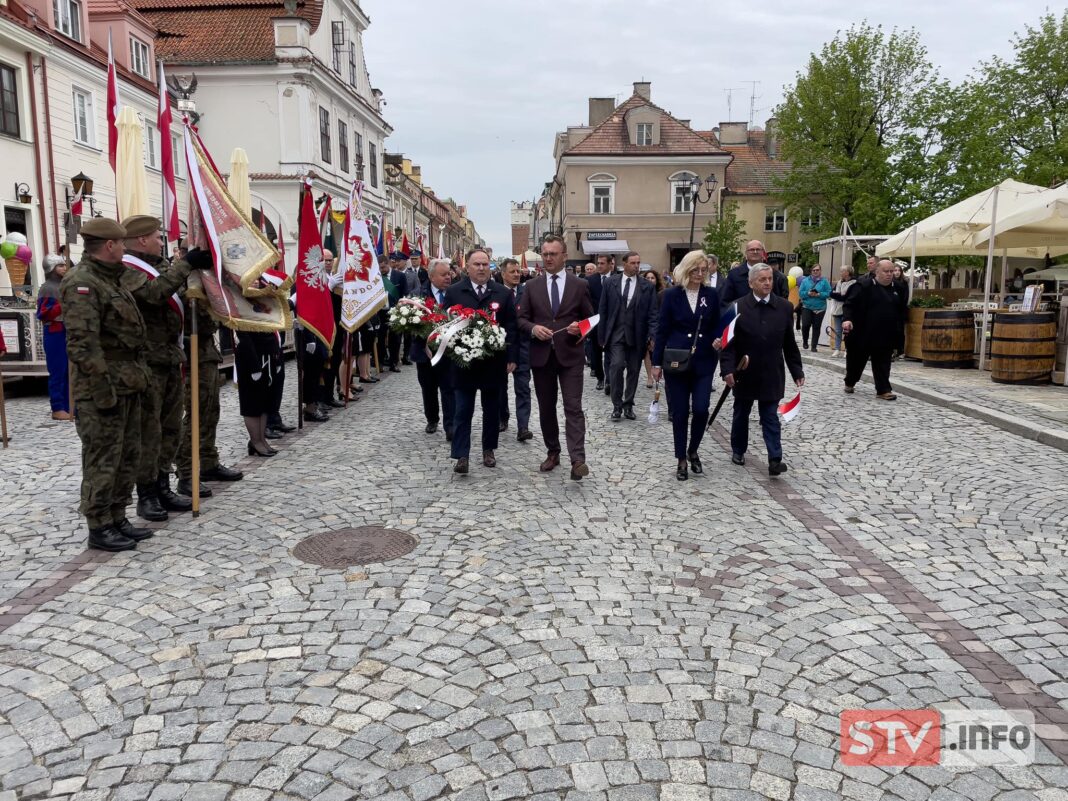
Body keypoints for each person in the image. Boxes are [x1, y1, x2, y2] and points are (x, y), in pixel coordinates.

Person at [59, 218, 155, 551]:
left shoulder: (111, 280)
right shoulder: (82, 283)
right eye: (121, 244)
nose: (124, 248)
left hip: (126, 383)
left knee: (127, 454)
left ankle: (117, 515)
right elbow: (83, 345)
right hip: (102, 388)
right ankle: (99, 524)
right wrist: (103, 392)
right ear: (111, 245)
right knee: (102, 457)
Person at [120, 215, 196, 521]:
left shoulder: (161, 264)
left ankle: (164, 484)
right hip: (148, 361)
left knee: (170, 427)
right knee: (148, 431)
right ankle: (147, 493)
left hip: (169, 357)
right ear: (141, 240)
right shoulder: (126, 269)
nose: (160, 241)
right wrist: (186, 263)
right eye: (155, 237)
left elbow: (175, 288)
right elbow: (154, 294)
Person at [517, 235, 594, 481]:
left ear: (564, 255)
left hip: (570, 355)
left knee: (573, 407)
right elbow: (521, 319)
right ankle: (553, 451)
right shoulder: (531, 287)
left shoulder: (579, 285)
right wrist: (533, 329)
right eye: (545, 254)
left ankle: (578, 459)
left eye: (553, 254)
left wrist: (578, 328)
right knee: (546, 407)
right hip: (542, 357)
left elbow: (591, 321)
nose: (548, 258)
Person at [720, 263, 804, 476]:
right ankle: (738, 449)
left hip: (771, 371)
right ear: (751, 283)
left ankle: (775, 459)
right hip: (745, 371)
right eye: (762, 280)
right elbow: (727, 344)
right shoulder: (736, 307)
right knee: (741, 412)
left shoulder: (785, 307)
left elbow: (789, 343)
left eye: (769, 279)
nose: (767, 283)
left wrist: (797, 371)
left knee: (770, 416)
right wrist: (727, 370)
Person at [445, 248, 518, 474]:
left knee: (491, 410)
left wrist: (512, 358)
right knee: (462, 410)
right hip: (463, 364)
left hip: (493, 364)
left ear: (490, 267)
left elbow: (512, 329)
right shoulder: (455, 292)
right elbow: (444, 326)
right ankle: (461, 455)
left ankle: (488, 449)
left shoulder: (503, 294)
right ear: (467, 267)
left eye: (485, 264)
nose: (481, 268)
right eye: (476, 264)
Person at [175, 262, 244, 498]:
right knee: (194, 415)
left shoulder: (202, 279)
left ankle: (207, 462)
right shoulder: (184, 280)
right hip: (191, 355)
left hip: (206, 354)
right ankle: (186, 473)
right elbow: (198, 319)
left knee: (210, 412)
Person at [651, 252, 720, 481]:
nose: (699, 275)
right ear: (685, 270)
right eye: (695, 270)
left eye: (703, 270)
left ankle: (693, 449)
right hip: (676, 360)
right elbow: (662, 330)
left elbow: (717, 324)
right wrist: (656, 362)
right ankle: (681, 457)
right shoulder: (671, 295)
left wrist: (719, 338)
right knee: (680, 412)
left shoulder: (711, 295)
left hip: (704, 361)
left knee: (701, 409)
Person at [598, 251, 658, 421]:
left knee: (633, 370)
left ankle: (628, 404)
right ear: (623, 264)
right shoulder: (611, 283)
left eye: (638, 263)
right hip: (616, 335)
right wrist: (601, 336)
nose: (637, 266)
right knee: (616, 367)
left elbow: (653, 314)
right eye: (633, 263)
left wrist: (652, 336)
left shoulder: (647, 286)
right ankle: (616, 405)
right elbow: (603, 310)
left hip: (637, 336)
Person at [842, 258, 909, 400]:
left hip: (885, 334)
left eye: (891, 271)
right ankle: (850, 381)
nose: (889, 274)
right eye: (886, 271)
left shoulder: (899, 288)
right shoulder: (863, 286)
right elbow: (849, 304)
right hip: (862, 333)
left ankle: (883, 389)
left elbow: (902, 310)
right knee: (856, 362)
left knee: (883, 362)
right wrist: (847, 320)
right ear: (877, 272)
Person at [412, 259, 456, 441]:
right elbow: (410, 323)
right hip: (425, 351)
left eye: (449, 274)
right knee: (428, 387)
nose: (448, 277)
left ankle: (450, 425)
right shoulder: (417, 295)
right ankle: (432, 419)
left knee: (449, 388)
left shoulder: (456, 293)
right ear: (431, 276)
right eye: (444, 274)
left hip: (449, 352)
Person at [497, 258, 533, 441]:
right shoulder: (496, 293)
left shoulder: (527, 292)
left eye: (518, 271)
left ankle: (523, 427)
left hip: (524, 348)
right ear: (503, 274)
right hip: (502, 348)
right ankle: (502, 417)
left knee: (523, 389)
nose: (517, 274)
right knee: (500, 388)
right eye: (512, 272)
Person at [235, 328, 282, 457]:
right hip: (251, 354)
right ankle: (255, 441)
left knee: (265, 400)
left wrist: (276, 355)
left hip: (267, 352)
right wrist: (253, 364)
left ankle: (261, 439)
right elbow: (242, 332)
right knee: (252, 401)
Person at [36, 254, 70, 420]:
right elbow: (43, 314)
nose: (64, 268)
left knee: (68, 371)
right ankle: (57, 407)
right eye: (60, 266)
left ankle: (69, 406)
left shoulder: (65, 285)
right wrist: (62, 304)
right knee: (58, 371)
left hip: (67, 331)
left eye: (64, 265)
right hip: (55, 331)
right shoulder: (47, 288)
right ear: (51, 268)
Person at [720, 240, 788, 307]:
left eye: (758, 249)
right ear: (746, 253)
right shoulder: (734, 274)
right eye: (752, 250)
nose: (755, 252)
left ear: (763, 253)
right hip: (742, 314)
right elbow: (725, 301)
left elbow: (779, 298)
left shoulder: (773, 273)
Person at [586, 254, 613, 392]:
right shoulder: (590, 280)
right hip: (595, 321)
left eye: (602, 263)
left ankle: (609, 379)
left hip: (612, 321)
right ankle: (600, 377)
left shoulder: (617, 279)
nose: (599, 266)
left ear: (610, 264)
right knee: (595, 351)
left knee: (610, 351)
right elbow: (586, 301)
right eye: (598, 263)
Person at [798, 264, 831, 352]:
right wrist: (808, 293)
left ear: (820, 271)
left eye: (817, 270)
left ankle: (814, 346)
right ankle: (805, 341)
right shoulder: (805, 281)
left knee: (816, 327)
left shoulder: (824, 281)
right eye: (814, 270)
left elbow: (829, 293)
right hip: (807, 306)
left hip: (820, 308)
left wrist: (819, 294)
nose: (815, 272)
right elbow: (800, 293)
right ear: (811, 271)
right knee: (805, 325)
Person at [640, 269, 664, 387]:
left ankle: (659, 371)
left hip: (660, 325)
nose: (650, 280)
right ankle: (649, 376)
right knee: (647, 352)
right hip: (646, 325)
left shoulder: (662, 293)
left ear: (656, 280)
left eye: (652, 278)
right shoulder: (642, 292)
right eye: (647, 278)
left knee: (657, 351)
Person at [827, 265, 855, 357]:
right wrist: (839, 295)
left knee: (847, 332)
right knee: (838, 330)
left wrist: (839, 295)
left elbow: (846, 297)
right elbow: (832, 293)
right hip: (837, 310)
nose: (841, 273)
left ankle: (847, 349)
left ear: (848, 272)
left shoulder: (854, 283)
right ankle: (837, 349)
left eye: (842, 271)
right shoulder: (839, 282)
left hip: (847, 311)